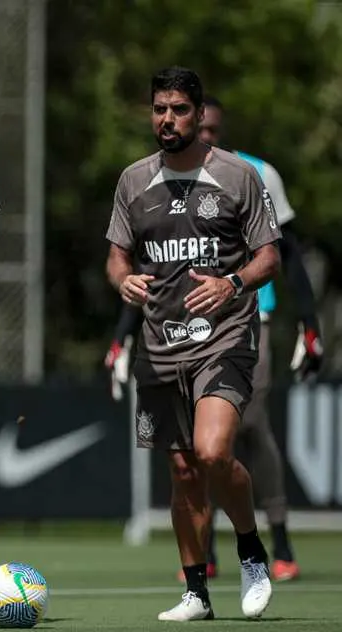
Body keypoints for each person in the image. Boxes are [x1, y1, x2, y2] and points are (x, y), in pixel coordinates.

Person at [106, 95, 323, 583]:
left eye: (210, 129)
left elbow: (285, 256)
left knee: (242, 431)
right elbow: (143, 267)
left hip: (246, 323)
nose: (202, 137)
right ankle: (206, 559)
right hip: (171, 334)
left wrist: (310, 325)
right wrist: (122, 335)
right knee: (189, 454)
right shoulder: (148, 180)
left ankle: (275, 538)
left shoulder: (253, 174)